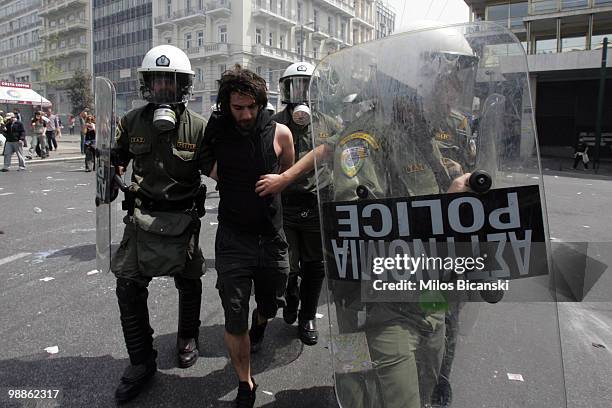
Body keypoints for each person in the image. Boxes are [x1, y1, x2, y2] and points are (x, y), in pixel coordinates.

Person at [108, 44, 209, 403]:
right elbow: (117, 158)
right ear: (147, 85)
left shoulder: (198, 128)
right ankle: (141, 360)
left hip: (183, 218)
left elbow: (219, 171)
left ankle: (186, 337)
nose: (164, 88)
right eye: (157, 81)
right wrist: (110, 167)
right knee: (127, 285)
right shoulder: (131, 122)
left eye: (171, 82)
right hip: (141, 217)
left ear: (184, 86)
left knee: (190, 279)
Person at [202, 65, 294, 408]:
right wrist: (225, 176)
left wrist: (279, 181)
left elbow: (289, 168)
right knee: (234, 311)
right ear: (227, 104)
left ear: (261, 103)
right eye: (238, 107)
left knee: (270, 300)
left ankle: (262, 320)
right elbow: (200, 157)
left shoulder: (280, 132)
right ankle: (245, 382)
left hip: (271, 236)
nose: (245, 114)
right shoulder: (217, 130)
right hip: (233, 239)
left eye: (251, 107)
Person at [264, 62, 340, 345]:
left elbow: (337, 156)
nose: (301, 94)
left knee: (315, 264)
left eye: (307, 87)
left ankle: (307, 315)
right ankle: (291, 297)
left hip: (317, 203)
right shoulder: (272, 123)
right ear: (284, 90)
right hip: (284, 204)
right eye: (294, 87)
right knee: (287, 265)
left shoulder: (329, 122)